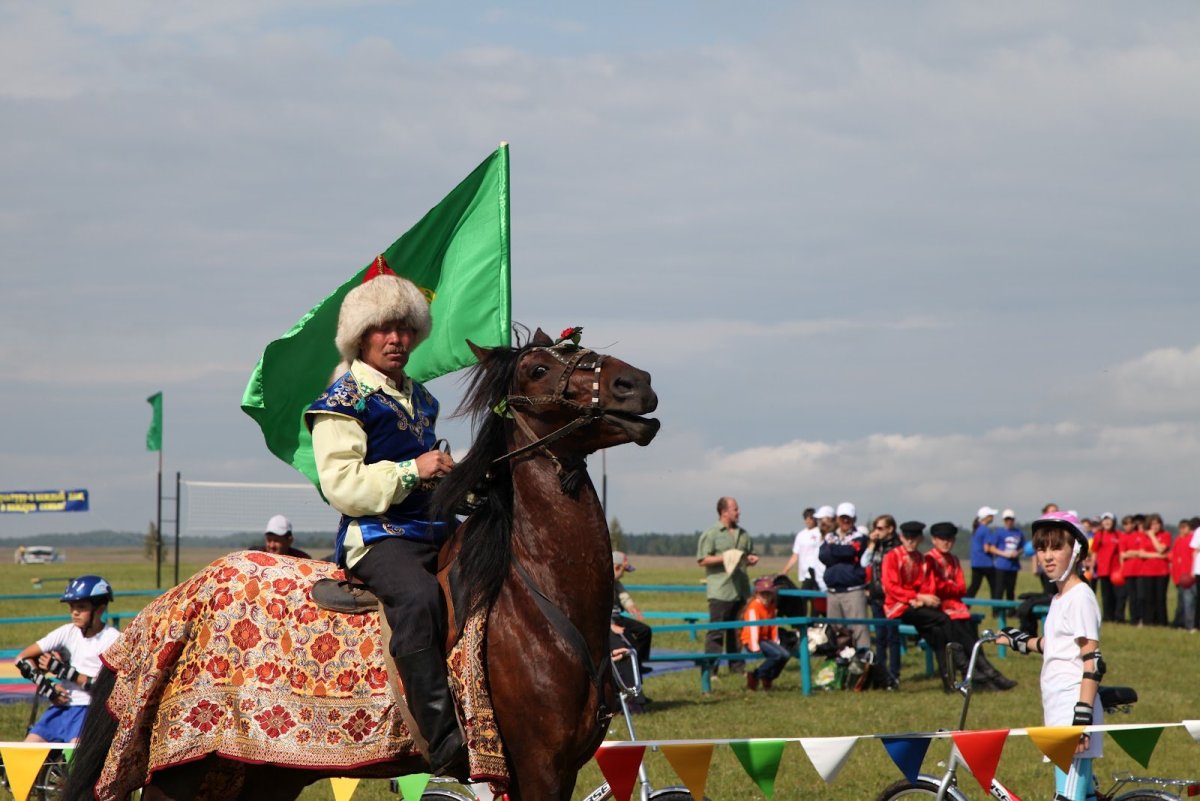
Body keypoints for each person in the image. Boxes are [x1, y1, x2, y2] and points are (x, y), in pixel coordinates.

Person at [305, 273, 463, 776]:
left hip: (434, 527)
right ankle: (441, 740)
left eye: (404, 328)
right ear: (360, 336)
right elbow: (343, 486)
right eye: (382, 328)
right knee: (418, 598)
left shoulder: (422, 399)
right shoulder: (342, 401)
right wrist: (415, 470)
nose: (396, 339)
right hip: (377, 537)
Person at [999, 512, 1103, 801]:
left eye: (1056, 547)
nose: (1047, 556)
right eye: (1042, 548)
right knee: (1082, 795)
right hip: (1059, 706)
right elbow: (1058, 645)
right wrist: (1021, 642)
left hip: (1073, 708)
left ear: (1077, 552)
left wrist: (1080, 719)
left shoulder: (1079, 596)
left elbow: (1092, 659)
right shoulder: (1060, 598)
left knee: (1067, 797)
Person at [15, 575, 120, 742]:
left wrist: (65, 672)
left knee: (74, 755)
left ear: (99, 609)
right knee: (27, 750)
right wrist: (47, 686)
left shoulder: (113, 639)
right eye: (72, 607)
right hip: (60, 708)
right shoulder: (66, 631)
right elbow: (22, 659)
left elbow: (107, 689)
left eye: (81, 607)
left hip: (90, 710)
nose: (74, 612)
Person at [924, 522, 1016, 691]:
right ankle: (987, 673)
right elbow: (933, 588)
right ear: (934, 540)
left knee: (970, 633)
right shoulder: (930, 560)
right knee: (965, 638)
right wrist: (950, 586)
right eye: (942, 539)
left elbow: (962, 588)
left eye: (950, 539)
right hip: (942, 610)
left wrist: (948, 586)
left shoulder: (953, 559)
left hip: (958, 609)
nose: (947, 543)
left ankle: (985, 674)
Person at [880, 520, 956, 692]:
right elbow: (891, 587)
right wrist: (915, 597)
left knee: (937, 634)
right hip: (897, 607)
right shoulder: (892, 556)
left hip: (918, 606)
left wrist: (922, 599)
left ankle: (949, 681)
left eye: (914, 538)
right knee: (943, 620)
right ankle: (957, 660)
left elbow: (927, 585)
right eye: (907, 538)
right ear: (901, 537)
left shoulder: (922, 560)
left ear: (920, 538)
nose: (911, 542)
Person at [696, 497, 758, 675]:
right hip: (720, 590)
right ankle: (710, 671)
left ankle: (737, 668)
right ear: (724, 512)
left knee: (737, 631)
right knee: (716, 632)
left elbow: (748, 556)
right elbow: (702, 560)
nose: (739, 513)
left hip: (740, 589)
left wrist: (751, 559)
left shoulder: (743, 534)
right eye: (735, 509)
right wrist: (725, 557)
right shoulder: (712, 534)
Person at [819, 501, 870, 651]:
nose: (845, 521)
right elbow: (823, 555)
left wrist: (835, 551)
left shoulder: (859, 537)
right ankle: (839, 661)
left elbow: (852, 551)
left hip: (853, 590)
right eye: (842, 518)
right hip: (833, 591)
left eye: (848, 518)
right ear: (837, 519)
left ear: (854, 519)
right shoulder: (830, 536)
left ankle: (864, 661)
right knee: (835, 630)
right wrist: (843, 552)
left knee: (859, 629)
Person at [862, 513, 902, 688]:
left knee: (893, 637)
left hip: (892, 598)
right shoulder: (876, 545)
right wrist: (871, 544)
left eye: (880, 528)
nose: (876, 532)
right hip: (876, 596)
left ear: (890, 529)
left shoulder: (898, 546)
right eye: (875, 528)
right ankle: (881, 674)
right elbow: (864, 563)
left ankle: (894, 674)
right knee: (879, 637)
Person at [740, 576, 790, 691]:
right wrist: (754, 645)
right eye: (763, 594)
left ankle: (768, 677)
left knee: (785, 655)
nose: (766, 598)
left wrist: (775, 640)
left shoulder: (771, 607)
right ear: (757, 594)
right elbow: (753, 628)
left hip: (765, 639)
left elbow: (773, 626)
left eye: (769, 594)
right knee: (777, 655)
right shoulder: (754, 607)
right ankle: (756, 675)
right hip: (752, 640)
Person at [611, 551, 652, 672]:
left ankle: (640, 663)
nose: (623, 575)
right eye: (623, 571)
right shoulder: (601, 583)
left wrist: (630, 606)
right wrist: (611, 625)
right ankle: (634, 670)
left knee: (645, 631)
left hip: (618, 617)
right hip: (608, 621)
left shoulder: (616, 583)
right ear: (617, 567)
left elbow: (624, 596)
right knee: (631, 644)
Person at [782, 506, 826, 592]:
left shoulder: (820, 533)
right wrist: (785, 570)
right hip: (804, 572)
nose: (808, 520)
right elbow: (795, 555)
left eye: (811, 518)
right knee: (805, 598)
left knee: (809, 597)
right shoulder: (801, 535)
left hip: (816, 571)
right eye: (806, 518)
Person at [988, 510, 1024, 612]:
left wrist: (1017, 552)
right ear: (1004, 521)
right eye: (1007, 519)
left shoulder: (1018, 533)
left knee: (1011, 590)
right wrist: (1004, 554)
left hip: (1013, 566)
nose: (1009, 521)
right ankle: (996, 611)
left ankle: (1011, 611)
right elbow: (992, 548)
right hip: (1001, 565)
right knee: (999, 590)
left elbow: (1022, 547)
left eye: (1011, 519)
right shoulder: (999, 532)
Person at [1090, 512, 1123, 622]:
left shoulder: (1118, 535)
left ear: (1113, 522)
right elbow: (1094, 552)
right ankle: (1108, 617)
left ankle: (1117, 616)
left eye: (1109, 520)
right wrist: (1092, 567)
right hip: (1103, 570)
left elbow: (1122, 552)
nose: (1107, 522)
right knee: (1106, 595)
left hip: (1116, 570)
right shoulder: (1099, 535)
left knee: (1118, 595)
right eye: (1105, 520)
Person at [966, 506, 997, 600]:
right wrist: (1004, 554)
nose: (993, 517)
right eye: (991, 515)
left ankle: (964, 606)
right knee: (995, 586)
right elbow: (987, 548)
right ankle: (996, 610)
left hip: (976, 563)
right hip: (986, 563)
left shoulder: (977, 528)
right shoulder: (985, 529)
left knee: (974, 586)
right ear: (986, 517)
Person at [1170, 519, 1196, 632]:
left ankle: (1190, 624)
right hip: (1180, 576)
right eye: (1181, 527)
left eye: (1185, 527)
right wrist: (1175, 577)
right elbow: (1174, 559)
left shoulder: (1192, 540)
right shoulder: (1178, 541)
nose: (1183, 529)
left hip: (1191, 575)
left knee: (1190, 601)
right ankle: (1180, 622)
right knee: (1182, 602)